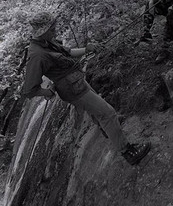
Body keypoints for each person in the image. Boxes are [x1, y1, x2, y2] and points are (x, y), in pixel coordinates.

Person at [23, 11, 151, 165]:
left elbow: (68, 52)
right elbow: (29, 89)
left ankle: (107, 130)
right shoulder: (37, 55)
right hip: (71, 89)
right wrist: (47, 91)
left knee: (99, 111)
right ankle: (128, 152)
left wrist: (87, 49)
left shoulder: (46, 42)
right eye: (51, 29)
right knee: (108, 113)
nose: (55, 31)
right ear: (42, 32)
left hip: (76, 81)